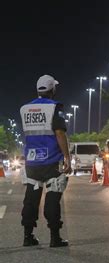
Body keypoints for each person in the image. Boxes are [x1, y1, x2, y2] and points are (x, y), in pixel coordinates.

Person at [20, 74, 70, 247]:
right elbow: (59, 133)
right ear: (52, 89)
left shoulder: (25, 109)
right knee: (53, 197)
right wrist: (67, 157)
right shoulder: (54, 108)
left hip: (32, 162)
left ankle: (28, 236)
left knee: (31, 198)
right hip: (51, 160)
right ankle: (55, 237)